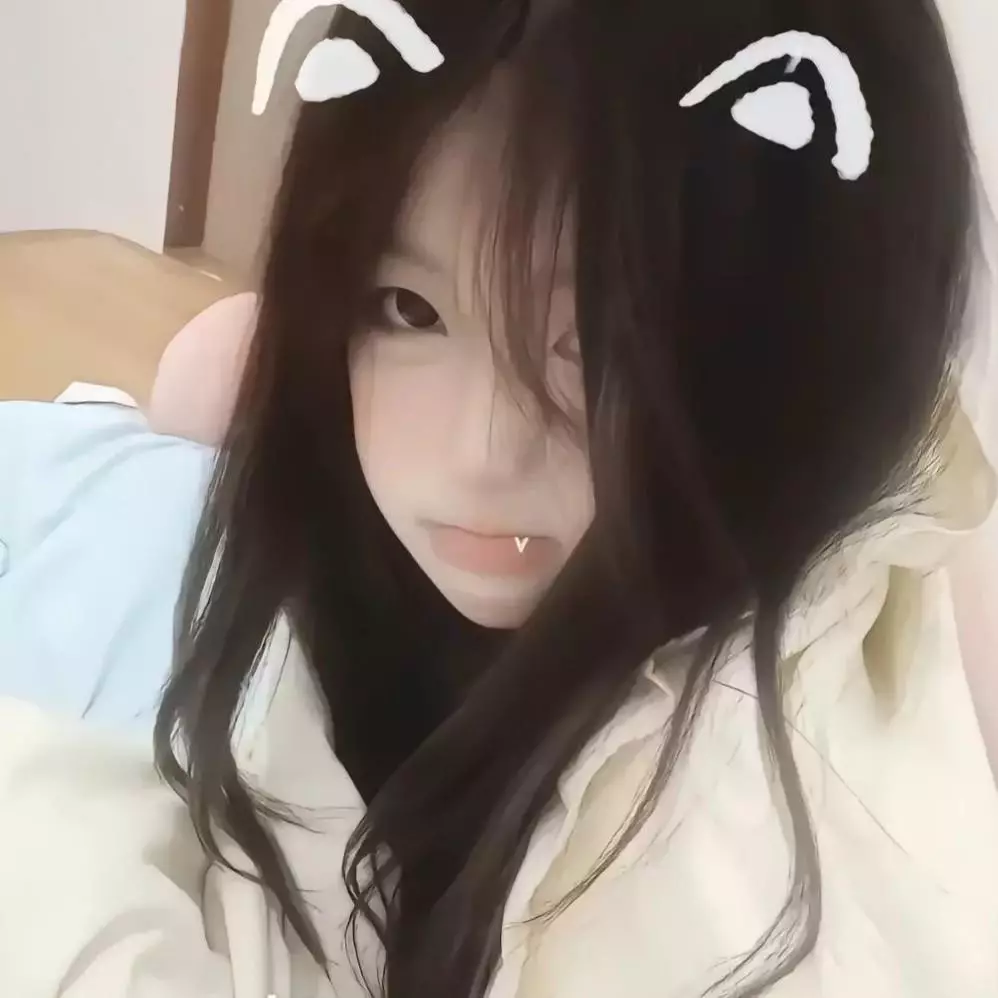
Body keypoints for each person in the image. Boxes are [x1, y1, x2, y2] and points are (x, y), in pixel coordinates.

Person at [1, 1, 998, 996]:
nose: (482, 453)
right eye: (407, 307)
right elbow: (211, 376)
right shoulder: (292, 442)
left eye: (598, 343)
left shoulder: (874, 676)